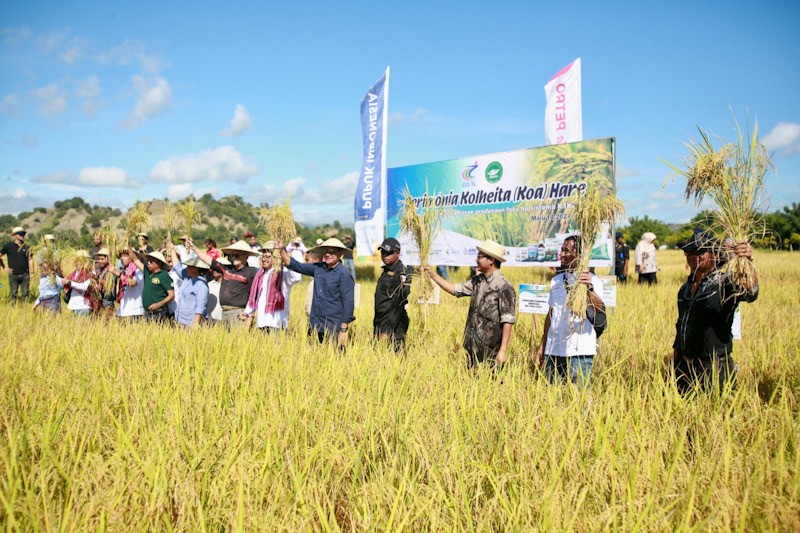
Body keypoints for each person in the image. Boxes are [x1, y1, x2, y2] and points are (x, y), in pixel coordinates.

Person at [672, 230, 758, 394]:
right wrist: (675, 361)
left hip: (714, 368)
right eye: (690, 252)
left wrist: (746, 260)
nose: (695, 256)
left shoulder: (724, 283)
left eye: (701, 251)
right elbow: (681, 325)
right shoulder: (685, 289)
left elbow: (750, 293)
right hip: (684, 368)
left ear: (715, 255)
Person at [427, 240, 516, 368]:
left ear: (491, 260)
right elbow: (455, 290)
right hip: (472, 346)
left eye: (479, 257)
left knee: (490, 385)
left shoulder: (504, 286)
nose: (476, 260)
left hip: (491, 349)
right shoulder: (478, 281)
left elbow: (508, 319)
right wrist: (433, 275)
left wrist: (503, 351)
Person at [536, 235, 606, 386]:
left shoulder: (592, 280)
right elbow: (550, 315)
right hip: (554, 350)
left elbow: (599, 307)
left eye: (566, 251)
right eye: (562, 250)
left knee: (580, 397)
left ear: (579, 255)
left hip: (580, 351)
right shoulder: (556, 280)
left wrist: (589, 287)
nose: (562, 254)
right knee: (553, 397)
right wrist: (543, 345)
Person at [279, 238, 355, 345]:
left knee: (333, 358)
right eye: (325, 251)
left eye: (332, 251)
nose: (328, 254)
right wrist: (282, 251)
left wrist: (343, 329)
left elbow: (348, 303)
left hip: (333, 326)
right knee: (313, 357)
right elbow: (297, 266)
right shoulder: (318, 268)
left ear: (340, 253)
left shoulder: (344, 275)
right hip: (315, 323)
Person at [190, 238, 257, 328]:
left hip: (239, 314)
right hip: (224, 313)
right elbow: (208, 260)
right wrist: (193, 248)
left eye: (237, 255)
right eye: (232, 255)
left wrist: (250, 317)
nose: (233, 258)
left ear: (246, 256)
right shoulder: (226, 270)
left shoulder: (251, 273)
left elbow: (254, 297)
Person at [240, 243, 302, 332]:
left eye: (268, 257)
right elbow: (256, 298)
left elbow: (296, 278)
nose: (264, 260)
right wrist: (247, 312)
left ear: (276, 258)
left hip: (277, 322)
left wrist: (287, 260)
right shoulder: (260, 275)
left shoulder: (283, 273)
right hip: (262, 321)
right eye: (263, 257)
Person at [373, 237, 412, 350]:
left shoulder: (402, 273)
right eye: (383, 252)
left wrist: (387, 329)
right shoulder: (386, 271)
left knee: (394, 356)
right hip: (380, 319)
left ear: (398, 253)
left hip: (393, 323)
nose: (385, 256)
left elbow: (398, 304)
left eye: (389, 253)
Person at [168, 243, 210, 329]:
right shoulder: (187, 277)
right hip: (181, 320)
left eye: (190, 266)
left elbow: (200, 305)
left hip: (192, 322)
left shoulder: (201, 284)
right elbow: (177, 266)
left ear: (196, 268)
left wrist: (196, 323)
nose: (187, 267)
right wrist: (172, 249)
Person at [129, 245, 174, 322]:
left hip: (159, 312)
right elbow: (135, 259)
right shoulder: (147, 272)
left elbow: (171, 295)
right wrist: (128, 244)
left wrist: (159, 304)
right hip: (148, 312)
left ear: (159, 263)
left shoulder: (164, 275)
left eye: (151, 261)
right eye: (148, 261)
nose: (148, 263)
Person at [1, 226, 34, 303]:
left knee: (25, 294)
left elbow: (30, 259)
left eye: (24, 233)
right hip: (13, 274)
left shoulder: (27, 246)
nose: (23, 235)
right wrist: (4, 267)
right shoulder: (8, 246)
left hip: (25, 274)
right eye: (20, 234)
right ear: (14, 235)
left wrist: (32, 273)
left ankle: (24, 309)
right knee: (13, 294)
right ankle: (13, 310)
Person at [114, 249, 144, 320]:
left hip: (134, 311)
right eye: (121, 256)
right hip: (122, 310)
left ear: (133, 257)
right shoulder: (124, 271)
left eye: (125, 256)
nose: (122, 258)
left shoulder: (138, 271)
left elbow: (132, 283)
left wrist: (118, 274)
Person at [64, 251, 93, 317]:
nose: (77, 262)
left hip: (83, 305)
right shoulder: (74, 273)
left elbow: (84, 287)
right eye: (76, 260)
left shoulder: (89, 273)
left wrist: (70, 282)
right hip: (74, 304)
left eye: (79, 260)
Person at [91, 248, 117, 318]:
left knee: (107, 322)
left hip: (107, 301)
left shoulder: (112, 270)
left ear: (108, 259)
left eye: (102, 259)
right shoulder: (99, 270)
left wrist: (96, 279)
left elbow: (109, 285)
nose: (100, 261)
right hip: (100, 300)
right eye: (99, 259)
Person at [206, 257, 226, 322]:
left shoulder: (229, 285)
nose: (214, 271)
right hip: (210, 318)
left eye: (217, 269)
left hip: (223, 318)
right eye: (213, 269)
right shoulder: (209, 284)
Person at [303, 250, 320, 317]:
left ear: (316, 260)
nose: (304, 263)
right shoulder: (312, 278)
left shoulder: (318, 279)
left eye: (307, 260)